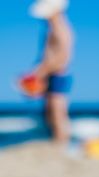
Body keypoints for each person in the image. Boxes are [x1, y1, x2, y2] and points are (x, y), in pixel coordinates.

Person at [19, 0, 73, 144]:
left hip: (57, 74)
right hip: (50, 74)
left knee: (57, 113)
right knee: (50, 112)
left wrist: (40, 71)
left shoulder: (60, 28)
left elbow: (62, 57)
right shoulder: (52, 28)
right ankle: (56, 141)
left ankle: (61, 143)